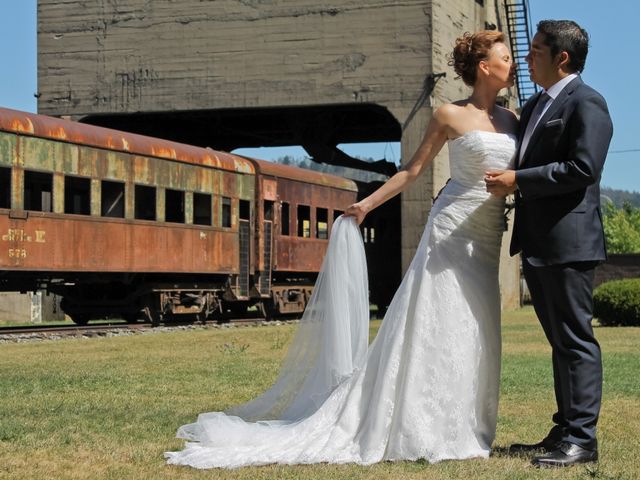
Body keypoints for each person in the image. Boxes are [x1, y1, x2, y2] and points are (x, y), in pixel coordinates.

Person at [165, 30, 517, 469]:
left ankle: (466, 421)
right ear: (485, 66)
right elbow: (411, 171)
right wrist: (366, 205)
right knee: (440, 321)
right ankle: (425, 424)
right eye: (505, 56)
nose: (513, 62)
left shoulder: (514, 120)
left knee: (478, 324)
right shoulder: (448, 114)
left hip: (485, 235)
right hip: (449, 229)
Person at [485, 20, 613, 468]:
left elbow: (583, 168)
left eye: (535, 50)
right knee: (560, 341)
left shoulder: (587, 103)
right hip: (538, 242)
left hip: (570, 242)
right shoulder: (537, 103)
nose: (526, 56)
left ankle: (582, 440)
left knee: (576, 340)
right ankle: (564, 429)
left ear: (562, 57)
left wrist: (518, 179)